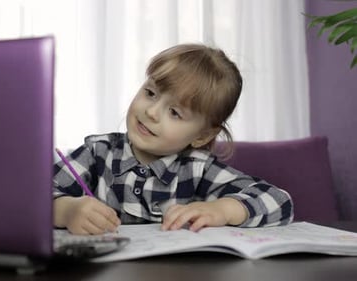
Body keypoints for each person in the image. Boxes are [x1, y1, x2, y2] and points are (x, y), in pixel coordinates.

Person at [53, 43, 294, 235]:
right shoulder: (97, 152)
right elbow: (31, 198)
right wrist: (66, 210)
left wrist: (221, 210)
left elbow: (278, 201)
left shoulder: (198, 169)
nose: (151, 112)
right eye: (150, 93)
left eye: (175, 112)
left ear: (202, 136)